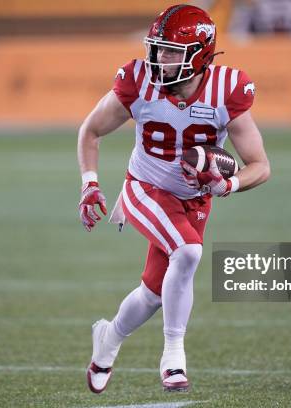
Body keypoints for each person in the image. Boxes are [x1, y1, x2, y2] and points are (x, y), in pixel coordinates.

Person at [77, 4, 270, 393]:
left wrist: (228, 186)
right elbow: (91, 131)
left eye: (169, 51)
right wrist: (90, 184)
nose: (158, 58)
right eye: (157, 48)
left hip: (194, 199)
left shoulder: (226, 90)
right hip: (145, 188)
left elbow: (259, 165)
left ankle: (108, 339)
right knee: (188, 253)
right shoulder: (138, 82)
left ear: (198, 54)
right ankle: (173, 357)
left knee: (152, 293)